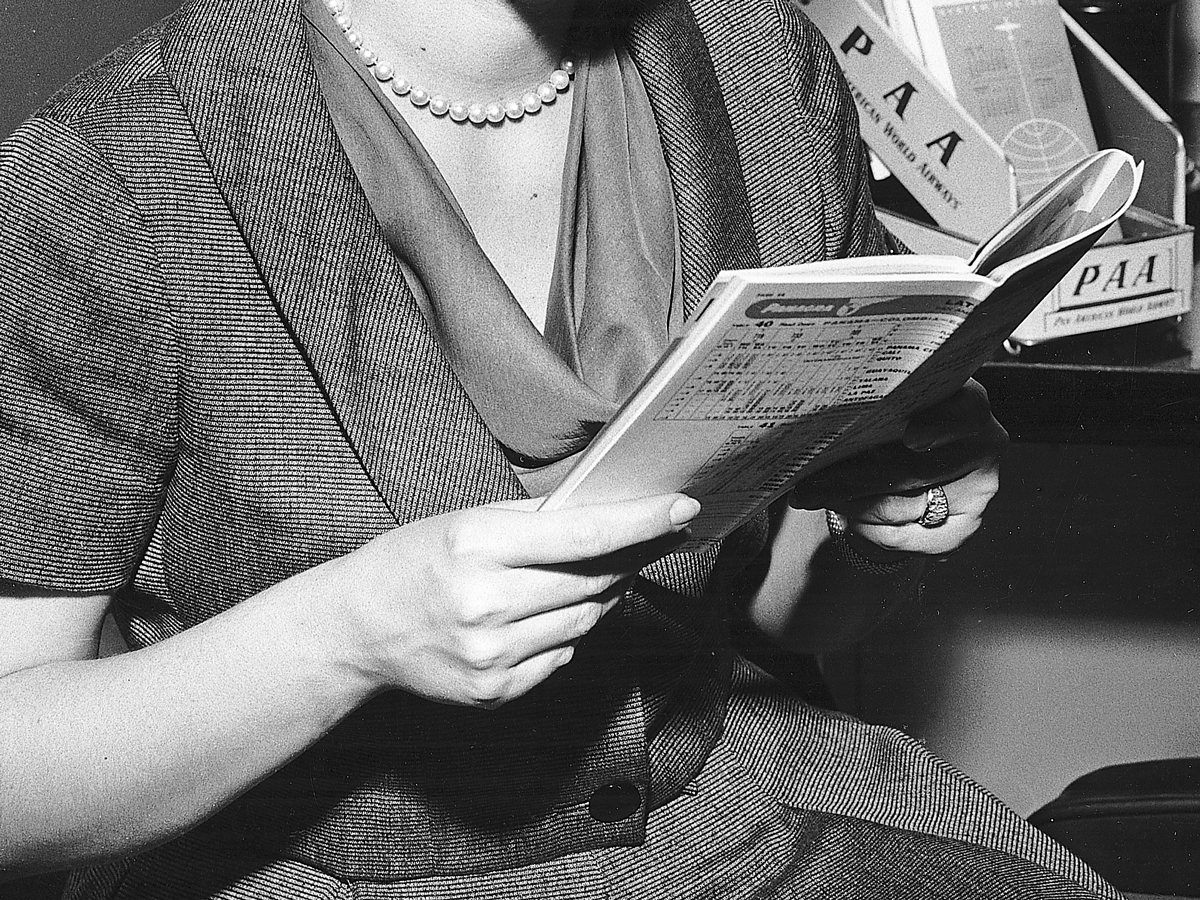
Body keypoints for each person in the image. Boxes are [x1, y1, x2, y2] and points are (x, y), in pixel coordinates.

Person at [0, 0, 1116, 897]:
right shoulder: (104, 174)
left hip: (726, 803)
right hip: (301, 863)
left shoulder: (762, 66)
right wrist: (345, 637)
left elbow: (761, 619)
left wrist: (880, 526)